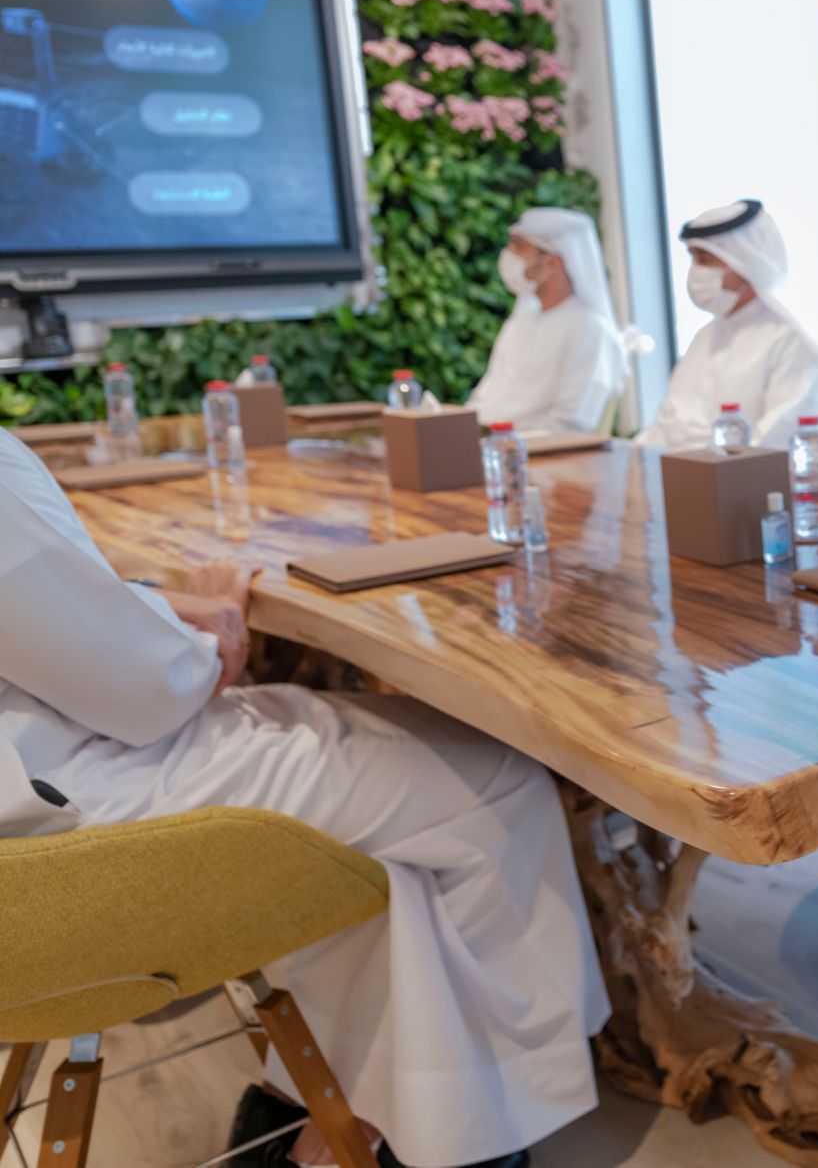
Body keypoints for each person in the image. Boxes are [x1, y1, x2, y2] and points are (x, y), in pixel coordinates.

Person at [0, 429, 609, 1168]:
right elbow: (144, 689)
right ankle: (448, 1136)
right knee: (497, 779)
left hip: (32, 811)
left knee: (375, 823)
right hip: (65, 822)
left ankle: (312, 1105)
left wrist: (150, 602)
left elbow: (37, 612)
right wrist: (205, 635)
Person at [635, 199, 818, 451]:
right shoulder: (704, 337)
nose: (696, 270)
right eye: (692, 258)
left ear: (744, 262)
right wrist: (635, 457)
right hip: (680, 471)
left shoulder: (793, 342)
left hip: (741, 475)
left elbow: (771, 447)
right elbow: (665, 428)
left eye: (705, 259)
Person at [467, 206, 632, 434]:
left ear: (552, 263)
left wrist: (506, 445)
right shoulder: (519, 323)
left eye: (519, 247)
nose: (508, 254)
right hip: (489, 446)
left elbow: (572, 424)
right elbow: (486, 396)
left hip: (534, 452)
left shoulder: (590, 328)